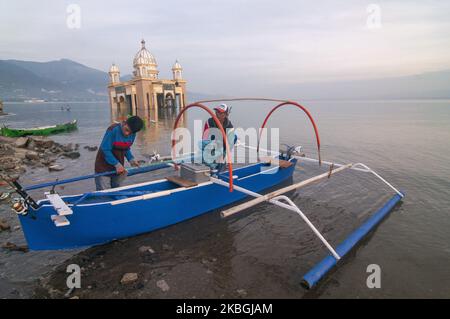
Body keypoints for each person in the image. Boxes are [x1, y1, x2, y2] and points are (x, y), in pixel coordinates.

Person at [94, 116, 144, 190]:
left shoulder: (132, 134)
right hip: (103, 167)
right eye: (126, 130)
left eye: (130, 133)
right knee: (103, 192)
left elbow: (126, 148)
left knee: (116, 189)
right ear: (124, 122)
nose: (127, 134)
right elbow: (105, 149)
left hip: (119, 169)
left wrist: (131, 159)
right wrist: (116, 164)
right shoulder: (113, 130)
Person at [202, 103, 236, 169]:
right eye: (217, 112)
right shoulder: (209, 122)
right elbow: (204, 138)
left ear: (226, 114)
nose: (218, 114)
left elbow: (229, 144)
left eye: (221, 113)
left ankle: (222, 159)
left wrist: (223, 153)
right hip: (211, 145)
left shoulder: (229, 126)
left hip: (222, 147)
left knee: (234, 137)